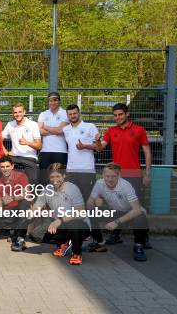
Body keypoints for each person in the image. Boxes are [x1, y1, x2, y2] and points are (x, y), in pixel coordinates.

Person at [99, 103, 152, 248]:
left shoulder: (139, 130)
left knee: (138, 208)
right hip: (117, 177)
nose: (117, 117)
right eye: (115, 115)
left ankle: (142, 239)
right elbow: (100, 147)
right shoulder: (111, 131)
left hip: (135, 176)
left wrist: (147, 173)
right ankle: (116, 235)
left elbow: (147, 151)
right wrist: (97, 142)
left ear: (127, 114)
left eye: (120, 114)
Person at [62, 104, 105, 252]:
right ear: (67, 115)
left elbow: (99, 148)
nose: (73, 116)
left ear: (79, 113)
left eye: (75, 113)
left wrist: (87, 146)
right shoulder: (66, 129)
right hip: (71, 172)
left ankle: (99, 241)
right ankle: (74, 237)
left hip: (87, 171)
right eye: (70, 114)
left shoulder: (90, 126)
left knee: (89, 206)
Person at [87, 163, 150, 262]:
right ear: (103, 175)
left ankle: (139, 246)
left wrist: (116, 222)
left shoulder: (125, 185)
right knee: (91, 212)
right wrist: (96, 201)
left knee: (140, 217)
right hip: (116, 211)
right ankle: (99, 242)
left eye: (113, 176)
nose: (110, 179)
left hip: (132, 212)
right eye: (107, 176)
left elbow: (136, 209)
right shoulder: (99, 183)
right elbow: (90, 202)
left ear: (119, 176)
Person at [32, 163, 90, 265]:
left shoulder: (72, 189)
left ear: (64, 176)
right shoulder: (47, 190)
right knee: (37, 235)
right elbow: (37, 207)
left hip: (80, 224)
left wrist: (60, 220)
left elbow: (80, 213)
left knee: (74, 225)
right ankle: (63, 243)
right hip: (61, 224)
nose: (55, 179)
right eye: (52, 177)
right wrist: (33, 211)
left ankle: (77, 253)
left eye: (58, 176)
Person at [0, 156, 32, 252]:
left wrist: (11, 197)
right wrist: (1, 202)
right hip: (7, 212)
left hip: (20, 209)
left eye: (7, 166)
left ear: (12, 166)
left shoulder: (21, 176)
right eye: (2, 167)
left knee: (25, 204)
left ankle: (19, 239)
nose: (5, 169)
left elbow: (26, 193)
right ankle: (13, 230)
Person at [1, 102, 42, 183]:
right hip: (14, 157)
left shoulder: (33, 124)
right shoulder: (10, 124)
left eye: (20, 112)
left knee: (33, 180)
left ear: (24, 112)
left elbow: (39, 146)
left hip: (29, 157)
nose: (17, 114)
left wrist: (27, 143)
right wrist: (5, 151)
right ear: (13, 113)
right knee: (1, 170)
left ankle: (31, 195)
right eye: (15, 112)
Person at [37, 92, 69, 183]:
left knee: (59, 177)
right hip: (45, 151)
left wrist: (45, 126)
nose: (53, 102)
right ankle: (45, 197)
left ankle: (60, 196)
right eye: (50, 100)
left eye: (55, 100)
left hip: (60, 151)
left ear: (59, 101)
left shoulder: (64, 113)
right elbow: (39, 131)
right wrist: (56, 130)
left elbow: (60, 130)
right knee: (44, 178)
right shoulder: (43, 114)